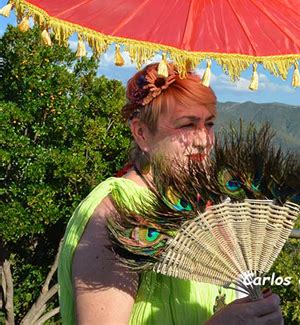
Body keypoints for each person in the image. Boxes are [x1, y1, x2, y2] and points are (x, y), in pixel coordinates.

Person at [57, 62, 284, 324]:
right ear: (142, 133)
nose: (203, 140)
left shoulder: (192, 205)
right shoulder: (116, 212)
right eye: (187, 125)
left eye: (208, 124)